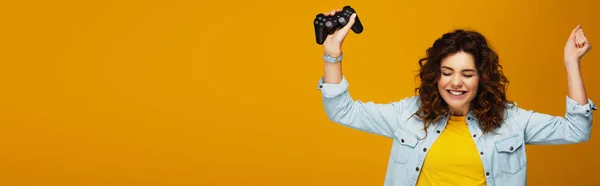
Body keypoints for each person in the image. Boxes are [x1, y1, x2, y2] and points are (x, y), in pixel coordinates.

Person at [316, 9, 596, 186]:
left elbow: (576, 130)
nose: (456, 82)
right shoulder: (409, 116)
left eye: (467, 74)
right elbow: (342, 111)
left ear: (482, 78)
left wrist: (572, 63)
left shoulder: (510, 121)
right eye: (447, 72)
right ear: (435, 75)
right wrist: (332, 54)